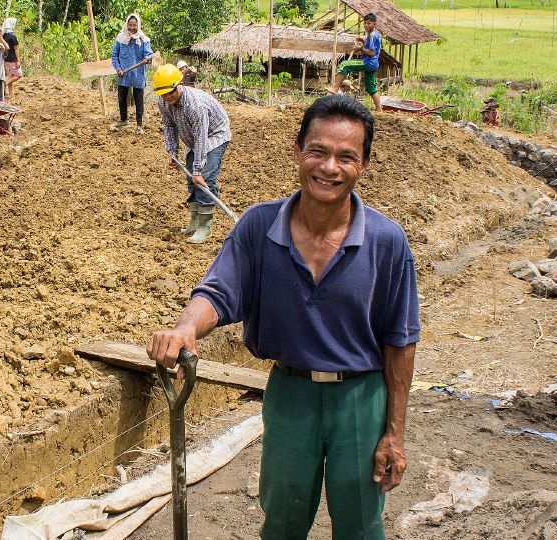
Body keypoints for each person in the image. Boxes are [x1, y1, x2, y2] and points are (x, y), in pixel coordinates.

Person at [148, 94, 420, 539]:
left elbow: (400, 339)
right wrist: (185, 328)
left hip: (361, 398)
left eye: (345, 156)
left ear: (364, 165)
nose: (329, 167)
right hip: (290, 394)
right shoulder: (258, 226)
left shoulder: (387, 241)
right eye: (317, 151)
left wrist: (394, 433)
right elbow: (217, 293)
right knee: (282, 521)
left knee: (361, 524)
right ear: (297, 152)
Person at [154, 64, 231, 244]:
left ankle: (205, 227)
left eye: (171, 92)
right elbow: (169, 126)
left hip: (214, 135)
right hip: (192, 138)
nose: (168, 97)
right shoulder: (163, 102)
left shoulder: (195, 105)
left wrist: (198, 171)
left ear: (179, 85)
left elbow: (202, 138)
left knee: (205, 177)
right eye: (163, 93)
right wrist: (172, 152)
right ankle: (194, 221)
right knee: (191, 179)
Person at [110, 14, 154, 134]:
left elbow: (150, 55)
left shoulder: (144, 39)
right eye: (130, 25)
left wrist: (147, 58)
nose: (132, 27)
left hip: (138, 74)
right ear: (127, 25)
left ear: (138, 25)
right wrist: (118, 68)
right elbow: (114, 55)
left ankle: (139, 125)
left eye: (134, 25)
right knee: (121, 97)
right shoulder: (120, 38)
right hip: (123, 73)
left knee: (138, 99)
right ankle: (124, 120)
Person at [331, 13, 383, 111]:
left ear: (375, 24)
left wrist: (360, 48)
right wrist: (363, 43)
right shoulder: (374, 34)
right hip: (374, 64)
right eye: (365, 23)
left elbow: (371, 52)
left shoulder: (372, 36)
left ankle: (335, 88)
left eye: (369, 23)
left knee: (344, 64)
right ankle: (379, 108)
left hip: (368, 62)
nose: (366, 25)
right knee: (371, 88)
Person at [2, 17, 23, 98]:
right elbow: (16, 49)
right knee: (19, 75)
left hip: (6, 59)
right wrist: (18, 61)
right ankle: (4, 85)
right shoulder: (13, 37)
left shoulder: (4, 36)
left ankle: (11, 94)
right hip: (12, 59)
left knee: (11, 75)